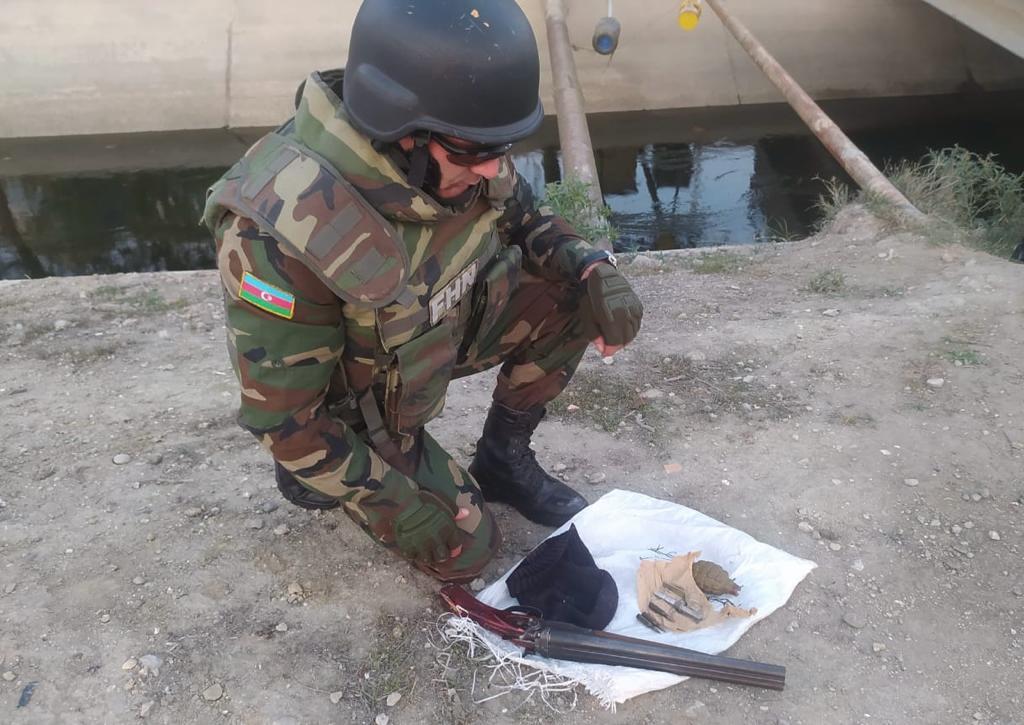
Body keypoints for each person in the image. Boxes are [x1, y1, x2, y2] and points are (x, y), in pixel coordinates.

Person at [202, 0, 643, 582]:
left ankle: (503, 460)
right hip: (356, 403)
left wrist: (590, 266)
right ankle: (318, 478)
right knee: (467, 552)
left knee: (576, 295)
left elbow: (524, 220)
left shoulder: (465, 142)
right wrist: (395, 508)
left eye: (500, 149)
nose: (491, 170)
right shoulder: (279, 232)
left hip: (433, 336)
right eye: (473, 152)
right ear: (402, 132)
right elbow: (283, 419)